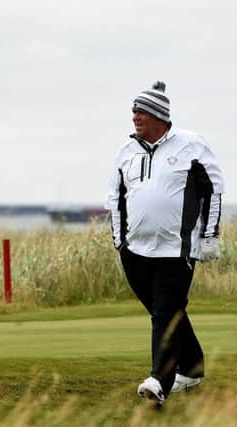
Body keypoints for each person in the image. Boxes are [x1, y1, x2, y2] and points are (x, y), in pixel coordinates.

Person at [104, 81, 225, 404]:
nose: (134, 117)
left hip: (177, 248)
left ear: (159, 115)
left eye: (140, 111)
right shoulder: (125, 152)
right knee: (166, 311)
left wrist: (210, 235)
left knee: (164, 313)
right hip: (135, 250)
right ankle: (193, 366)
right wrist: (120, 242)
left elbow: (212, 190)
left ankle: (159, 380)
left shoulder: (191, 145)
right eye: (133, 111)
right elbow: (115, 199)